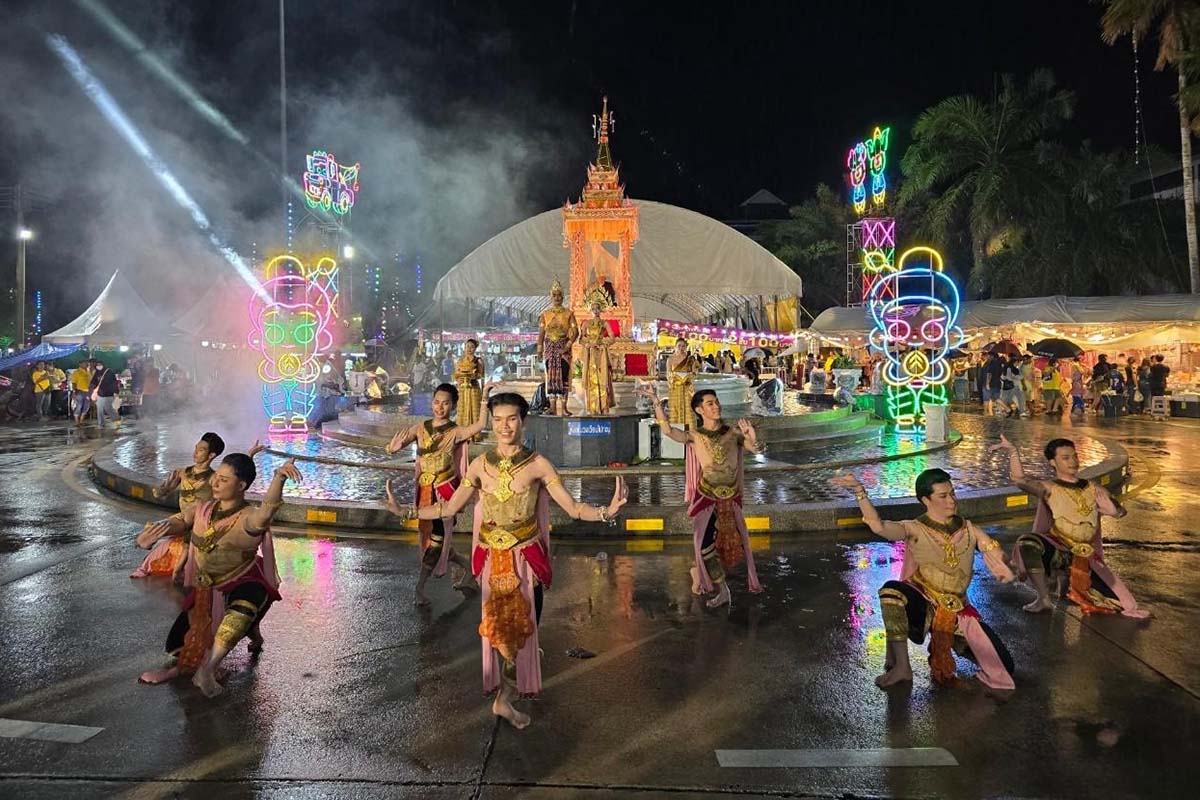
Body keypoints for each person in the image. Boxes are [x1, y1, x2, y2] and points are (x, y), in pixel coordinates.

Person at [387, 392, 628, 729]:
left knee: (526, 634)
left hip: (526, 560)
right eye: (497, 419)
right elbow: (448, 508)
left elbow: (572, 508)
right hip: (491, 561)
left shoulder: (538, 464)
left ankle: (507, 696)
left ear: (523, 420)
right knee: (501, 633)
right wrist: (407, 512)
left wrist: (606, 512)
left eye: (511, 418)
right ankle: (504, 699)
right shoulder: (479, 466)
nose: (504, 426)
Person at [830, 469, 1015, 690]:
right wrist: (860, 491)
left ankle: (956, 644)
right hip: (925, 604)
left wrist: (1005, 564)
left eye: (952, 494)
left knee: (1005, 666)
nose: (951, 501)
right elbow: (878, 525)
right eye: (943, 496)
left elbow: (992, 548)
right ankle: (902, 667)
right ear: (925, 500)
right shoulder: (915, 528)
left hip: (960, 612)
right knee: (892, 592)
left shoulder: (967, 528)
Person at [136, 452, 302, 696]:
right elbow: (180, 520)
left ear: (241, 485)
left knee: (243, 609)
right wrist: (156, 531)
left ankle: (208, 669)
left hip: (241, 579)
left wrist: (278, 478)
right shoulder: (203, 510)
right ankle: (254, 637)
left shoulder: (247, 517)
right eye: (216, 477)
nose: (214, 483)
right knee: (177, 646)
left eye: (224, 480)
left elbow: (266, 512)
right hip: (207, 586)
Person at [992, 435, 1147, 617]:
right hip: (1059, 550)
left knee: (1120, 604)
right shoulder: (1049, 488)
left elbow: (1121, 511)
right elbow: (1019, 480)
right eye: (1065, 458)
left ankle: (1065, 581)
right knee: (1028, 543)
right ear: (1053, 462)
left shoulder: (1093, 488)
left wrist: (1113, 510)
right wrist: (1012, 452)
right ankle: (1043, 599)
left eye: (1074, 456)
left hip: (1087, 557)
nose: (1073, 461)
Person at [641, 386, 764, 608]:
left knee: (732, 545)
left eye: (716, 402)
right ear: (699, 410)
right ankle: (722, 589)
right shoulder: (695, 436)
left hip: (731, 498)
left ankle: (699, 573)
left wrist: (753, 439)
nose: (716, 406)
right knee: (705, 545)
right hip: (707, 497)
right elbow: (668, 430)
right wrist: (656, 401)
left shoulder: (733, 433)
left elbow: (755, 450)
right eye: (710, 403)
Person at [385, 381, 495, 605]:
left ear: (453, 406)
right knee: (438, 541)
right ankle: (472, 573)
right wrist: (392, 448)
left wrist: (484, 396)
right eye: (436, 402)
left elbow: (481, 425)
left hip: (445, 493)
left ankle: (420, 588)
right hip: (424, 492)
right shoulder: (420, 428)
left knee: (436, 540)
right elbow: (397, 444)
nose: (440, 407)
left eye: (445, 404)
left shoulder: (455, 432)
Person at [132, 433, 263, 579]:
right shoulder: (182, 473)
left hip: (200, 526)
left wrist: (249, 457)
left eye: (201, 450)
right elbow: (158, 494)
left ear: (212, 455)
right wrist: (163, 489)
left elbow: (236, 478)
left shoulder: (213, 478)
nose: (195, 452)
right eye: (196, 448)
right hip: (182, 521)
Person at [536, 279, 579, 417]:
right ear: (551, 297)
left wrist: (567, 346)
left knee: (564, 377)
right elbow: (541, 334)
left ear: (562, 296)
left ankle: (564, 407)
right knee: (551, 378)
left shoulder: (569, 313)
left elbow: (575, 331)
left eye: (559, 295)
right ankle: (552, 407)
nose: (557, 298)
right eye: (554, 295)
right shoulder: (545, 314)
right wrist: (539, 350)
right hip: (550, 349)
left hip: (563, 349)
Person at [579, 303, 614, 415]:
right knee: (592, 379)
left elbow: (612, 338)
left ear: (601, 310)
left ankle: (603, 407)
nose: (595, 311)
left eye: (597, 308)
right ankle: (593, 407)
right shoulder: (586, 323)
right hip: (590, 354)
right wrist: (588, 343)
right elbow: (581, 339)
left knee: (603, 378)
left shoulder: (605, 323)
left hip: (601, 353)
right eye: (593, 309)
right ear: (590, 310)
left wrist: (601, 342)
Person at [666, 339, 699, 427]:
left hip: (687, 387)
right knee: (675, 408)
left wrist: (689, 377)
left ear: (686, 347)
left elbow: (694, 373)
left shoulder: (690, 359)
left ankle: (690, 429)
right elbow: (668, 374)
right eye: (679, 346)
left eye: (683, 346)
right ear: (675, 347)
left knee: (688, 408)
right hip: (676, 388)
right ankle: (676, 428)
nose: (681, 348)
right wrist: (674, 380)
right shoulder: (670, 359)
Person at [453, 338, 485, 428]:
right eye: (467, 346)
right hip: (462, 389)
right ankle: (462, 432)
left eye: (472, 347)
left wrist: (473, 376)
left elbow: (481, 375)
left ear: (475, 349)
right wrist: (458, 379)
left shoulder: (478, 361)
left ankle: (474, 433)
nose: (469, 349)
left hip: (473, 388)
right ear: (464, 347)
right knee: (462, 409)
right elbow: (456, 374)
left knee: (474, 408)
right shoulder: (459, 361)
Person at [90, 361, 120, 429]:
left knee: (108, 408)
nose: (98, 366)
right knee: (99, 409)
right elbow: (93, 382)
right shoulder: (97, 373)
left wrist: (116, 391)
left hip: (108, 393)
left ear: (103, 365)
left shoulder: (109, 372)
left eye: (100, 365)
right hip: (99, 394)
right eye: (97, 365)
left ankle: (117, 419)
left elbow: (114, 382)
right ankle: (101, 424)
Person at [70, 360, 93, 426]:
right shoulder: (76, 372)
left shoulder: (88, 372)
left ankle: (81, 420)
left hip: (88, 391)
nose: (86, 365)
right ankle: (77, 421)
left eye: (87, 363)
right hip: (79, 391)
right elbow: (73, 383)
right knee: (79, 406)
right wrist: (74, 391)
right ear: (80, 364)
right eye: (85, 363)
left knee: (86, 406)